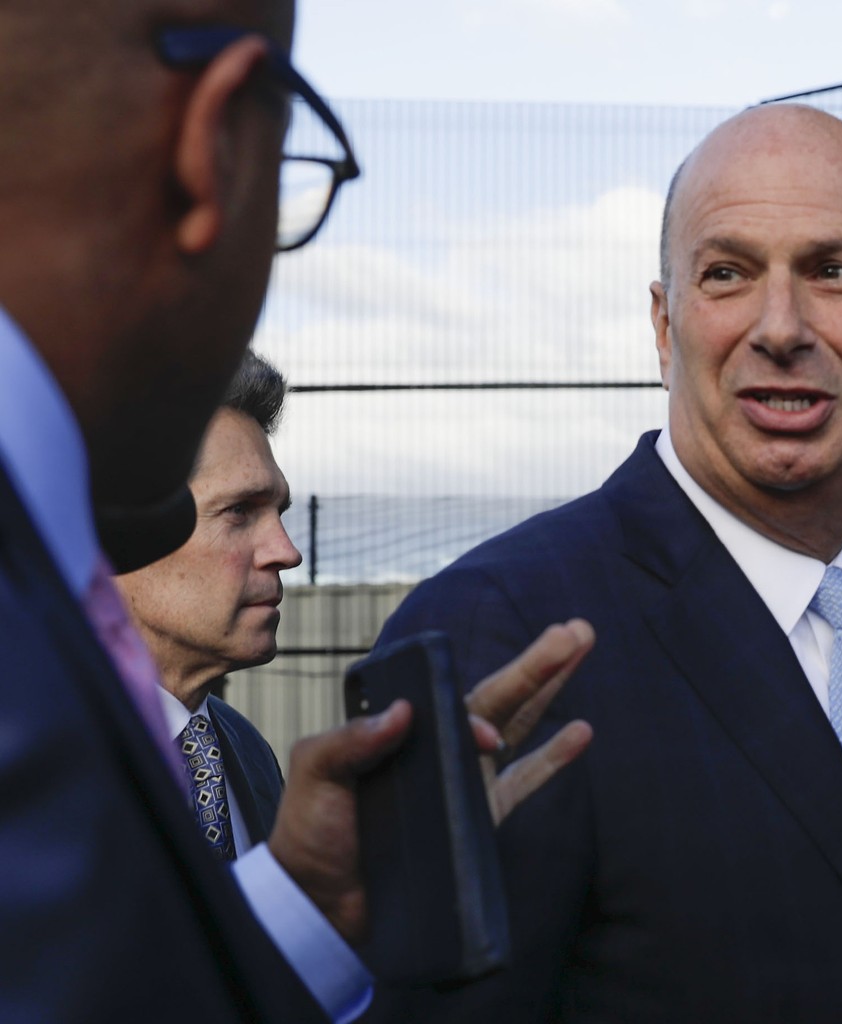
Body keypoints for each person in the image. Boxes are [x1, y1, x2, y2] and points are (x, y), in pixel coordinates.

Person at [0, 3, 591, 1020]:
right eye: (238, 514)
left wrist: (302, 903)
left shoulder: (231, 759)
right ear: (212, 149)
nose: (287, 551)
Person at [377, 103, 842, 1023]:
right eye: (728, 273)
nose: (781, 325)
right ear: (664, 322)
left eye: (833, 271)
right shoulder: (500, 632)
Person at [116, 351, 300, 856]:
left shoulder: (247, 751)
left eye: (278, 512)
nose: (286, 552)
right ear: (121, 528)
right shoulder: (32, 756)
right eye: (240, 511)